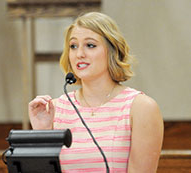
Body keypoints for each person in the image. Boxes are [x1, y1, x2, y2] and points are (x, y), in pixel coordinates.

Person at [29, 12, 164, 173]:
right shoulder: (55, 109)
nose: (79, 54)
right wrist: (43, 132)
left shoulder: (141, 108)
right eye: (73, 46)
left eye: (90, 45)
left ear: (112, 51)